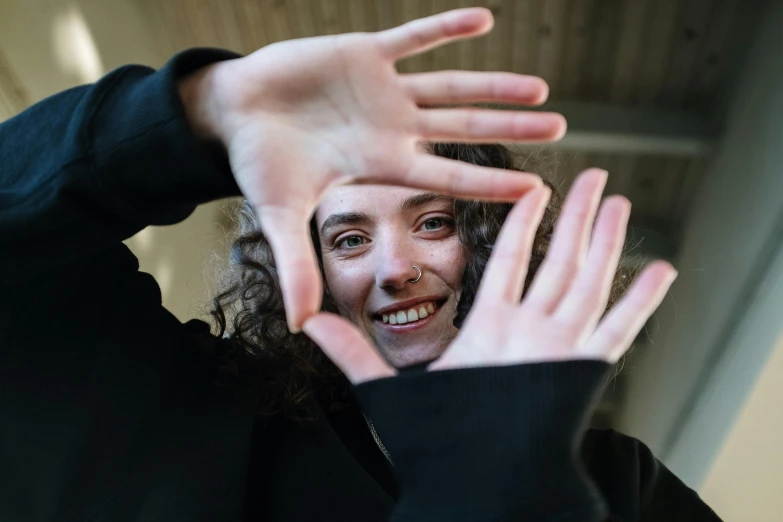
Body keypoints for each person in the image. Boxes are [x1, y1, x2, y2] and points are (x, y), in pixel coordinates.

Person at [0, 7, 721, 522]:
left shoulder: (620, 486)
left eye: (434, 222)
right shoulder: (193, 408)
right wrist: (195, 114)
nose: (393, 268)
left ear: (492, 238)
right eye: (348, 239)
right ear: (297, 271)